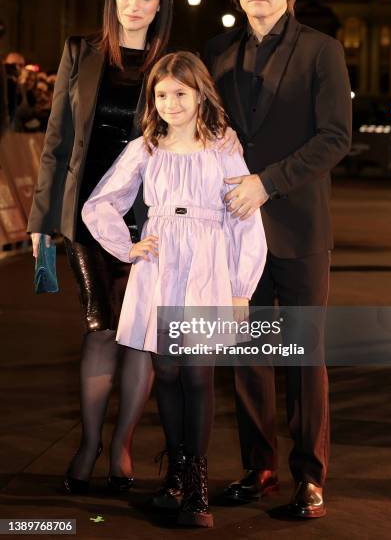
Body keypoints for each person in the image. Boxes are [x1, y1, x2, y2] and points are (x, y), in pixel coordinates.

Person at [28, 0, 240, 495]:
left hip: (154, 220)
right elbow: (56, 141)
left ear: (160, 6)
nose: (135, 6)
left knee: (144, 337)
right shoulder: (81, 51)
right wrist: (40, 218)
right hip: (87, 214)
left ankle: (123, 444)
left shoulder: (170, 63)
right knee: (100, 328)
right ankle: (89, 442)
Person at [81, 51, 267, 527]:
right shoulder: (146, 146)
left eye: (180, 93)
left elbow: (246, 219)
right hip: (160, 266)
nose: (170, 103)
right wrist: (128, 247)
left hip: (207, 266)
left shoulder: (223, 144)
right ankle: (176, 478)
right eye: (161, 94)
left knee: (197, 375)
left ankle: (198, 488)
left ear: (200, 93)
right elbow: (101, 201)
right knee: (165, 374)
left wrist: (242, 288)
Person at [204, 0, 352, 518]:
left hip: (299, 228)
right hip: (235, 232)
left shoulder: (322, 51)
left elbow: (335, 137)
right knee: (248, 355)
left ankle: (310, 477)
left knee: (303, 356)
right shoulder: (216, 52)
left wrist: (268, 182)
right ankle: (257, 467)